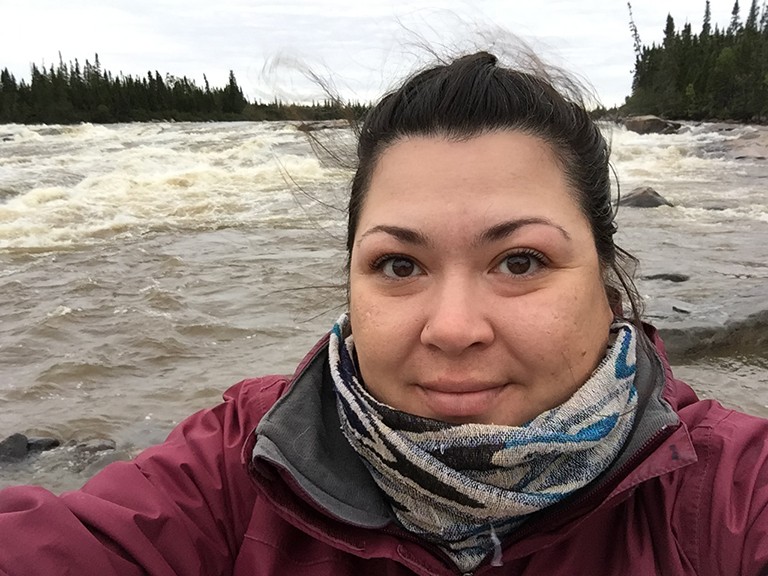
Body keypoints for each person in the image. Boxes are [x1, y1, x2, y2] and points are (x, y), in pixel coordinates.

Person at [1, 50, 767, 576]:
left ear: (605, 277)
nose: (453, 327)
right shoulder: (250, 461)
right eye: (400, 266)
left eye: (520, 262)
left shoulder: (718, 493)